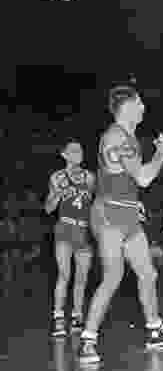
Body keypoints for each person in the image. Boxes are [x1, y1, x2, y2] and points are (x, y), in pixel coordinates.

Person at [79, 86, 163, 364]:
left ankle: (154, 331)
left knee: (147, 273)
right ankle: (87, 340)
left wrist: (132, 202)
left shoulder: (126, 136)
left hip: (125, 212)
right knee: (113, 276)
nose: (143, 106)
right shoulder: (117, 136)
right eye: (139, 102)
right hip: (109, 216)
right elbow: (142, 177)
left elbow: (118, 178)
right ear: (126, 106)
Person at [44, 141, 95, 337]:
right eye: (73, 150)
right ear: (64, 154)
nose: (78, 153)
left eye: (81, 150)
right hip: (64, 228)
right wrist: (57, 195)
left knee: (81, 278)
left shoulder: (89, 178)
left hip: (83, 231)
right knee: (64, 274)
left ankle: (77, 315)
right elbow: (48, 208)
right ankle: (58, 318)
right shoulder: (57, 177)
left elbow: (95, 204)